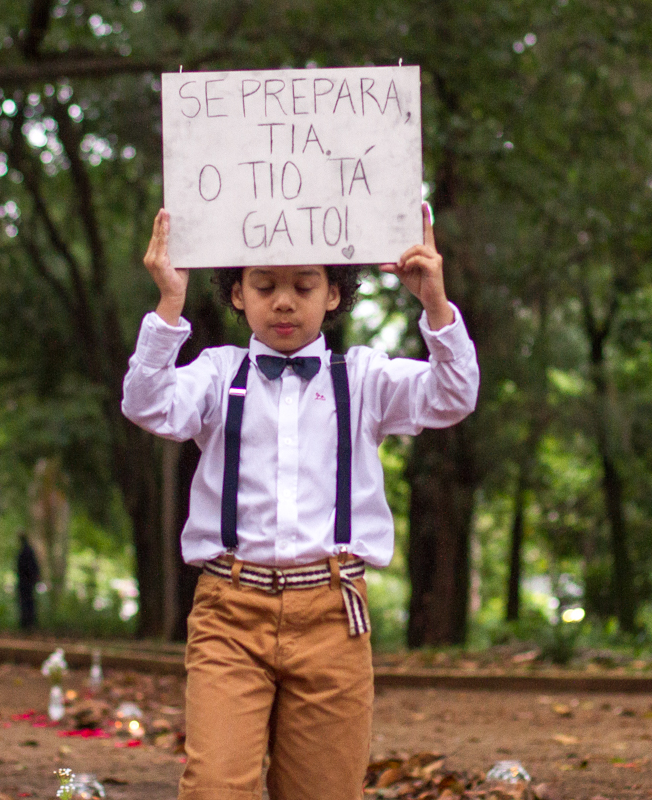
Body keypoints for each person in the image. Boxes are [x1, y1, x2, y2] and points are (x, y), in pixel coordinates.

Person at [122, 203, 479, 800]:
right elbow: (146, 403)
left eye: (304, 286)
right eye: (265, 286)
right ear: (237, 293)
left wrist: (435, 305)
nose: (284, 302)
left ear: (333, 293)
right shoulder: (217, 373)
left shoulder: (363, 378)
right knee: (214, 787)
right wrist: (168, 304)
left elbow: (453, 395)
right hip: (229, 611)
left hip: (333, 614)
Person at [16, 534, 40, 631]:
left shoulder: (25, 551)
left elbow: (29, 567)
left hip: (26, 582)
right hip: (27, 581)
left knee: (26, 602)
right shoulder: (28, 551)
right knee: (28, 602)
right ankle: (28, 623)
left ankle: (28, 623)